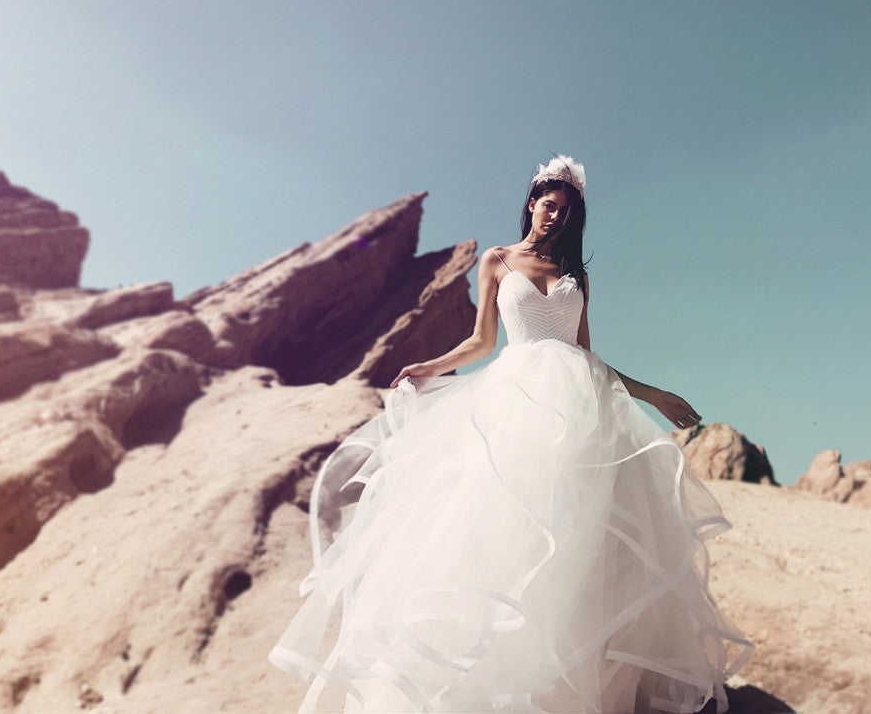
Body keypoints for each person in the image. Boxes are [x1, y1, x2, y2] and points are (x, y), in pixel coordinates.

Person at [270, 156, 753, 714]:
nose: (555, 217)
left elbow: (585, 354)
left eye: (566, 212)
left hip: (579, 411)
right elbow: (481, 342)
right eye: (550, 206)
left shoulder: (579, 276)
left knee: (580, 539)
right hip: (515, 402)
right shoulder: (497, 260)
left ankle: (565, 683)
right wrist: (430, 366)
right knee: (499, 532)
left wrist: (655, 396)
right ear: (531, 203)